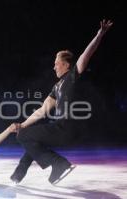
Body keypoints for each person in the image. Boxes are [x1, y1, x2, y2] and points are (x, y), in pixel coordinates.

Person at [10, 19, 113, 185]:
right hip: (60, 128)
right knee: (30, 138)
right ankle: (18, 174)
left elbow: (86, 55)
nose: (54, 67)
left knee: (23, 136)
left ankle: (59, 163)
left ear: (66, 65)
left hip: (67, 127)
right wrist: (23, 124)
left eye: (56, 64)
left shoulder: (73, 76)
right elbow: (42, 110)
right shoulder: (56, 87)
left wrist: (99, 35)